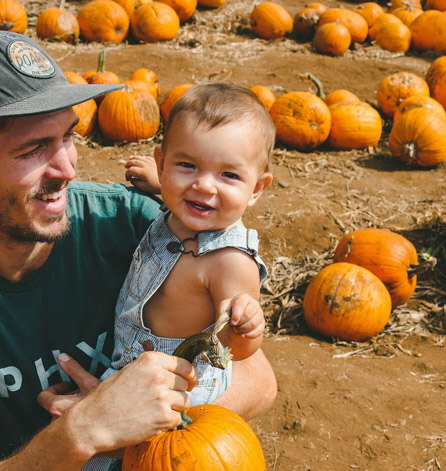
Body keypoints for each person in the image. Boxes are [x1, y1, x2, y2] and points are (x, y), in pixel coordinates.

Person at [0, 30, 277, 470]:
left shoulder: (130, 223)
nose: (67, 167)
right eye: (34, 149)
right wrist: (84, 431)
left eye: (67, 136)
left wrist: (143, 424)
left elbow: (257, 378)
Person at [83, 82, 276, 470]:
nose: (203, 185)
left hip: (183, 389)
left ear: (256, 189)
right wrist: (162, 186)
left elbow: (233, 352)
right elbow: (187, 192)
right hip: (136, 367)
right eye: (186, 166)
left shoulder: (228, 260)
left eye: (229, 176)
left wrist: (247, 323)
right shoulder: (180, 211)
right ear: (162, 162)